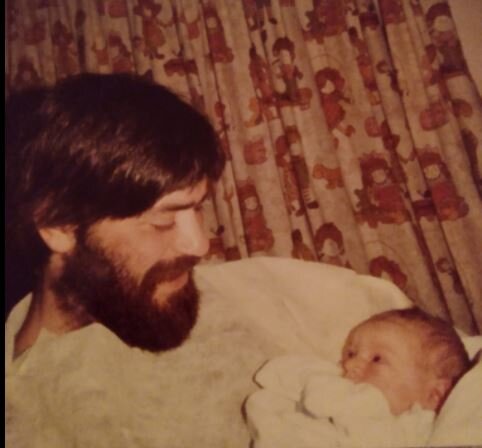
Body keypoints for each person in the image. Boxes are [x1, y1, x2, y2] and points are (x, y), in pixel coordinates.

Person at [245, 307, 471, 447]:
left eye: (377, 359)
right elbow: (278, 376)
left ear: (435, 394)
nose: (351, 364)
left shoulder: (426, 430)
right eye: (350, 354)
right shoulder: (332, 391)